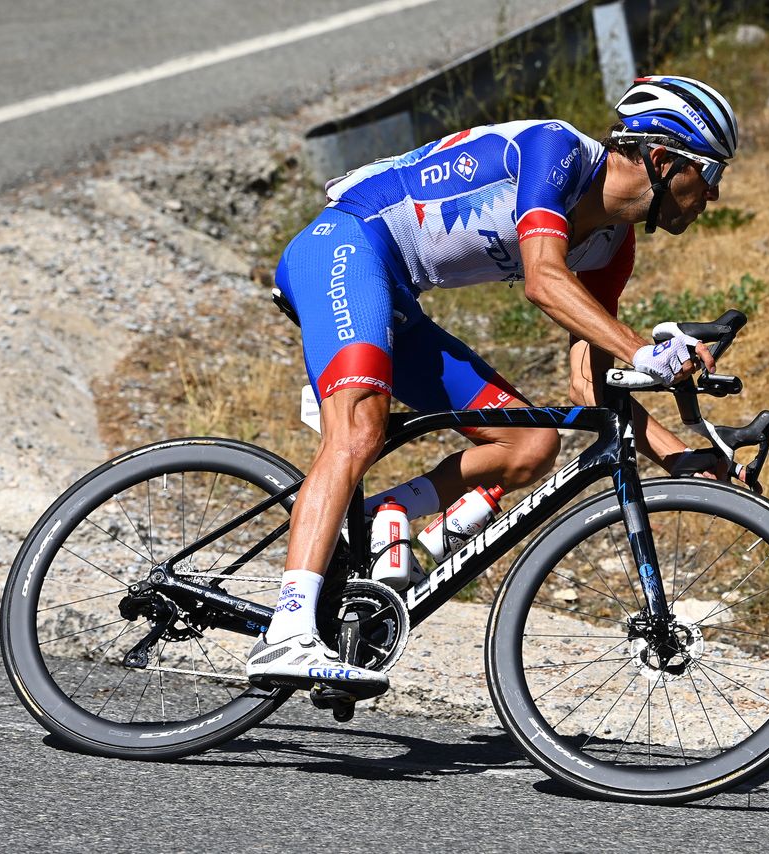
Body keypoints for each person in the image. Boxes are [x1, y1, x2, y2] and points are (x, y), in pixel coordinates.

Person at [247, 76, 740, 696]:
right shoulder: (555, 152)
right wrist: (644, 349)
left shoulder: (612, 247)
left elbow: (594, 380)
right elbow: (542, 278)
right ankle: (288, 632)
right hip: (344, 247)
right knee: (360, 428)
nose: (715, 196)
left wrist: (682, 457)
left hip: (395, 296)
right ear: (665, 160)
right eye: (712, 173)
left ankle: (383, 514)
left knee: (527, 445)